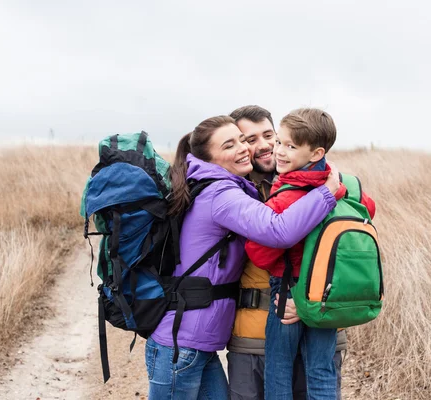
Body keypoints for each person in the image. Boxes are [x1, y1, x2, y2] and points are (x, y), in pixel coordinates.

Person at [145, 115, 341, 400]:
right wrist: (326, 192)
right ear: (209, 158)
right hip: (181, 344)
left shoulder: (214, 185)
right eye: (229, 145)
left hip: (195, 344)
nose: (242, 148)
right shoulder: (221, 194)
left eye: (240, 140)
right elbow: (279, 230)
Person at [245, 108, 376, 400]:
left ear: (316, 153)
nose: (279, 151)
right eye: (280, 142)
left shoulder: (287, 196)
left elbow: (259, 254)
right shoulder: (346, 184)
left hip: (288, 292)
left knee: (279, 369)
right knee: (321, 372)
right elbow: (368, 209)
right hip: (327, 292)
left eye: (291, 146)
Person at [227, 105, 348, 400]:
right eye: (249, 139)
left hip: (303, 306)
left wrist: (309, 303)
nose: (269, 146)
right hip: (256, 336)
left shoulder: (305, 186)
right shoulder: (230, 191)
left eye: (271, 136)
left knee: (296, 378)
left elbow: (349, 252)